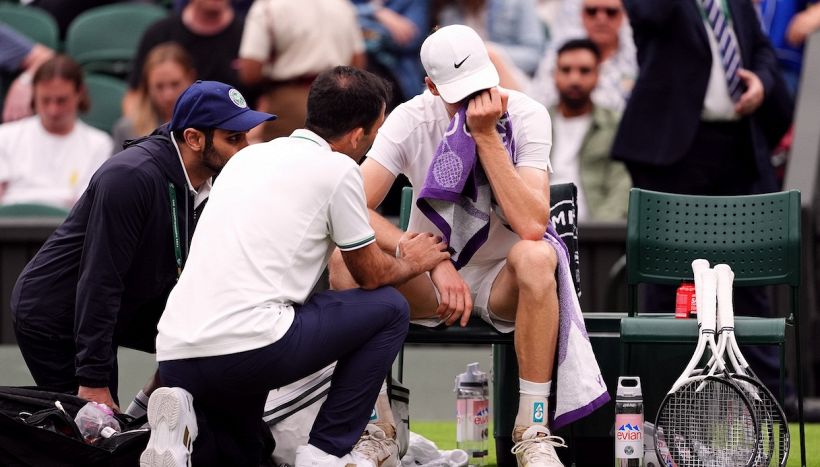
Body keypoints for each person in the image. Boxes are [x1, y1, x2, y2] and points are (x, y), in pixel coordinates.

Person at [330, 25, 609, 467]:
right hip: (429, 281)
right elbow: (351, 206)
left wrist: (485, 137)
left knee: (538, 255)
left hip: (502, 279)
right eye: (460, 94)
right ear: (431, 87)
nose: (474, 102)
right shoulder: (410, 118)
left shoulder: (529, 113)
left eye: (482, 86)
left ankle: (532, 429)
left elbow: (534, 224)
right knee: (345, 260)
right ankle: (379, 426)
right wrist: (424, 255)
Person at [144, 66, 449, 467]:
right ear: (358, 135)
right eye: (375, 131)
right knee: (390, 309)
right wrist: (413, 261)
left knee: (248, 454)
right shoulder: (340, 170)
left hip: (174, 355)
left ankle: (181, 428)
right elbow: (371, 274)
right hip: (249, 351)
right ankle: (325, 451)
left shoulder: (245, 158)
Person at [10, 80, 274, 411]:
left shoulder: (209, 177)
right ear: (193, 138)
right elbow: (100, 281)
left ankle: (145, 412)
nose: (245, 147)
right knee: (94, 427)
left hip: (120, 300)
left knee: (210, 335)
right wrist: (93, 380)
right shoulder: (130, 177)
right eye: (233, 138)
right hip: (56, 313)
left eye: (245, 136)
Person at [612, 0, 792, 406]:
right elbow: (647, 14)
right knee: (668, 286)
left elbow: (761, 48)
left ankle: (768, 401)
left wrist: (762, 81)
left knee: (748, 280)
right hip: (673, 152)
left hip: (737, 147)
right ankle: (657, 403)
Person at [236, 0, 366, 142]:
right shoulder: (342, 5)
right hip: (341, 97)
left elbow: (250, 72)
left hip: (290, 101)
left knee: (286, 160)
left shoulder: (268, 7)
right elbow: (358, 62)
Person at [0, 54, 111, 209]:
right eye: (45, 100)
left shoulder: (99, 143)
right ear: (34, 94)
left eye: (62, 100)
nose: (53, 110)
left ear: (79, 93)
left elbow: (87, 208)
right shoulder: (5, 136)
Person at [548, 39, 629, 222]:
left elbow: (621, 187)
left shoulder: (615, 125)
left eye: (584, 71)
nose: (574, 79)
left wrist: (599, 234)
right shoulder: (534, 122)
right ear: (554, 74)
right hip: (540, 232)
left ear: (598, 75)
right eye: (566, 70)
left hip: (595, 234)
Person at [124, 0, 246, 116]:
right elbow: (135, 94)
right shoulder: (159, 33)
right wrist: (148, 133)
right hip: (167, 129)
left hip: (241, 130)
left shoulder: (247, 34)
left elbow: (263, 96)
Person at [529, 0, 636, 112]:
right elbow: (537, 102)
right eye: (592, 11)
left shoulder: (638, 57)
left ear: (623, 15)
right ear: (582, 15)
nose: (601, 18)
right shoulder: (561, 55)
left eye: (611, 12)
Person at [112, 42, 196, 153]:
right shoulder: (127, 129)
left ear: (191, 78)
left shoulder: (208, 125)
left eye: (175, 84)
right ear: (147, 86)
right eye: (159, 87)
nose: (168, 96)